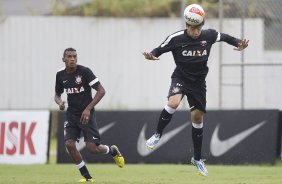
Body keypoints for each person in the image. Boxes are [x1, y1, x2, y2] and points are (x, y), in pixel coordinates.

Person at [142, 4, 249, 177]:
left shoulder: (209, 35)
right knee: (173, 102)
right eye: (193, 27)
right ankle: (157, 134)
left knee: (197, 118)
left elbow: (226, 37)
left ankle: (197, 159)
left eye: (199, 26)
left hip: (199, 83)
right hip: (181, 78)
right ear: (187, 25)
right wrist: (152, 55)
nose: (197, 31)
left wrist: (239, 43)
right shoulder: (176, 39)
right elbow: (159, 49)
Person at [54, 47, 125, 183]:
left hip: (86, 114)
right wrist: (60, 103)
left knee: (92, 148)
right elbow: (57, 94)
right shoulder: (60, 75)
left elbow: (101, 91)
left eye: (74, 56)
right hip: (71, 115)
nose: (72, 59)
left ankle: (112, 151)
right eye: (69, 57)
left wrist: (88, 109)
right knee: (69, 144)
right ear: (63, 59)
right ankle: (87, 177)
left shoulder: (85, 71)